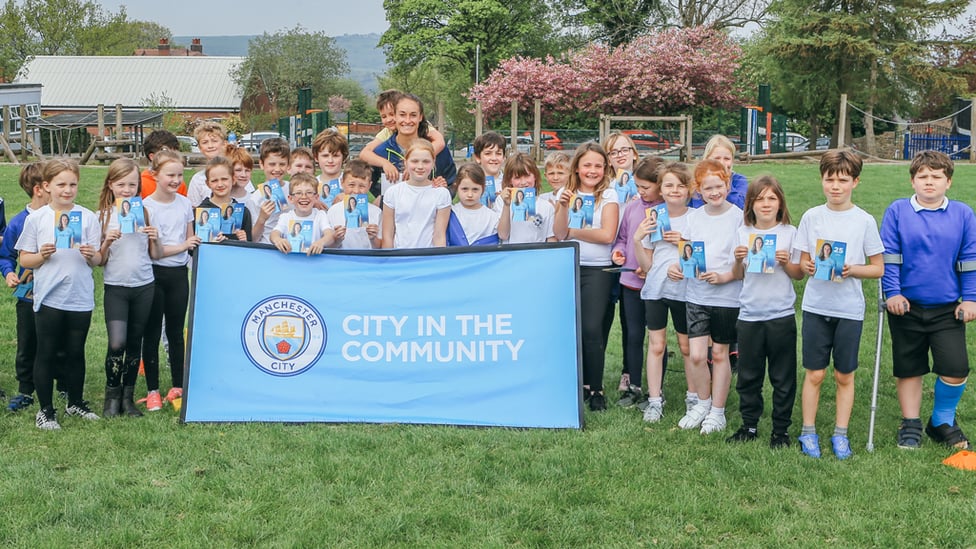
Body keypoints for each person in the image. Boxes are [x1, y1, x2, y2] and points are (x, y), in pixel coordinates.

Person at [881, 150, 976, 450]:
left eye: (936, 176)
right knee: (910, 368)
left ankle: (941, 421)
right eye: (923, 176)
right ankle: (911, 423)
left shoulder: (963, 214)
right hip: (906, 307)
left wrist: (971, 298)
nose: (929, 182)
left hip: (948, 308)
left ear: (948, 181)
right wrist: (892, 293)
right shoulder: (897, 211)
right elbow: (890, 257)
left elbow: (970, 259)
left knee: (956, 367)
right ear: (913, 181)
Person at [795, 150, 884, 459]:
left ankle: (840, 433)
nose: (835, 186)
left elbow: (878, 268)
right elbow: (804, 258)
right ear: (822, 180)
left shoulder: (864, 221)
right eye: (829, 179)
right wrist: (806, 266)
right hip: (817, 307)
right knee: (815, 373)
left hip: (849, 310)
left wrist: (852, 269)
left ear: (855, 182)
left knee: (844, 375)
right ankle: (808, 431)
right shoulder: (811, 217)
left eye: (842, 180)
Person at [15, 159, 103, 429]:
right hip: (50, 296)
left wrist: (92, 255)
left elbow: (98, 259)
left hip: (80, 296)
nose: (67, 190)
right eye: (61, 184)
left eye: (72, 184)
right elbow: (25, 259)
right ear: (46, 187)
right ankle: (45, 410)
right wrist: (41, 255)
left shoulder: (87, 217)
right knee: (47, 351)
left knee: (76, 352)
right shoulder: (37, 219)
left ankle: (74, 402)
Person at [727, 176, 803, 448]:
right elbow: (738, 275)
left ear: (780, 202)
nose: (766, 204)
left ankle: (781, 430)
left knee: (783, 376)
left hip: (780, 315)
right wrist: (737, 259)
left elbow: (798, 275)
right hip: (749, 314)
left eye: (772, 198)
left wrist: (787, 263)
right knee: (748, 375)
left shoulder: (790, 233)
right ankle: (749, 425)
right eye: (760, 199)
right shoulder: (742, 233)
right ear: (751, 204)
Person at [668, 159, 743, 434]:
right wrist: (676, 267)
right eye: (707, 188)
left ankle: (718, 412)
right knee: (697, 355)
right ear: (698, 190)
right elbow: (686, 256)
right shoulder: (693, 218)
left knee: (721, 353)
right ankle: (702, 401)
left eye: (719, 186)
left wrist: (724, 276)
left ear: (727, 184)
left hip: (726, 297)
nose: (714, 192)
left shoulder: (738, 217)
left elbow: (742, 265)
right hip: (697, 295)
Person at [553, 142, 619, 411]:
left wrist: (574, 231)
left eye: (598, 166)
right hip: (569, 266)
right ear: (577, 167)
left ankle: (597, 388)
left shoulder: (610, 196)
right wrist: (563, 209)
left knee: (592, 329)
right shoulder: (564, 192)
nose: (592, 170)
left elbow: (607, 235)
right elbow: (559, 233)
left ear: (605, 169)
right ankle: (577, 384)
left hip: (597, 269)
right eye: (587, 165)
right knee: (571, 329)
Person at [96, 158, 162, 417]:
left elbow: (155, 254)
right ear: (111, 184)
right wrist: (106, 242)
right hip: (116, 286)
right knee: (117, 343)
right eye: (121, 184)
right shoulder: (101, 216)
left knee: (135, 342)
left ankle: (127, 397)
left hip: (144, 284)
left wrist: (154, 238)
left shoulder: (145, 211)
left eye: (132, 185)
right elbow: (99, 261)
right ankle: (111, 395)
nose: (127, 190)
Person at [633, 161, 693, 422]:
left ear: (690, 189)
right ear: (661, 188)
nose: (675, 190)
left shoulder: (696, 218)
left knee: (687, 346)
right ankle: (655, 400)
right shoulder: (654, 215)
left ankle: (695, 397)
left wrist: (682, 243)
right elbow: (647, 265)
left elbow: (700, 259)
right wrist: (637, 239)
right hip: (656, 289)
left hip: (686, 291)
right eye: (669, 185)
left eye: (681, 185)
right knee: (656, 345)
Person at [142, 149, 200, 411]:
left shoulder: (185, 204)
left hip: (178, 274)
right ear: (154, 175)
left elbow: (191, 242)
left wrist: (193, 244)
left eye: (180, 174)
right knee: (152, 332)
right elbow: (155, 250)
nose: (176, 180)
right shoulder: (146, 207)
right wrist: (182, 245)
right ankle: (152, 389)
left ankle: (178, 386)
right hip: (154, 275)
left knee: (176, 333)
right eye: (170, 175)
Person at [611, 156, 664, 407]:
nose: (641, 192)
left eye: (645, 187)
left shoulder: (668, 209)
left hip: (658, 286)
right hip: (630, 281)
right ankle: (633, 386)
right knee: (633, 335)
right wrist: (618, 252)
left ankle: (657, 388)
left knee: (657, 338)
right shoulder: (632, 207)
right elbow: (622, 237)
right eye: (638, 186)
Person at [0, 162, 49, 412]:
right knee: (27, 342)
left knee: (56, 341)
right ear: (40, 189)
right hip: (28, 296)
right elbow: (5, 255)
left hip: (57, 295)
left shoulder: (60, 218)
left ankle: (62, 384)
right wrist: (9, 274)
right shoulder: (19, 222)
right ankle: (25, 390)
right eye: (54, 183)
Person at [361, 93, 457, 196]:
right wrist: (383, 199)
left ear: (420, 117)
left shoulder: (439, 150)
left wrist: (442, 190)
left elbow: (453, 184)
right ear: (395, 116)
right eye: (402, 115)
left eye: (413, 115)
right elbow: (367, 180)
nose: (407, 120)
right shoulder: (380, 152)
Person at [381, 139, 452, 249]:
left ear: (433, 162)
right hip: (399, 258)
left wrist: (439, 261)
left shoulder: (441, 194)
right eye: (414, 161)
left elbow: (439, 236)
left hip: (428, 259)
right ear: (405, 162)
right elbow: (388, 235)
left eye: (426, 161)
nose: (420, 166)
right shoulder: (393, 193)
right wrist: (388, 261)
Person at [495, 153, 556, 244]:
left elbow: (551, 239)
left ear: (535, 176)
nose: (523, 182)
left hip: (536, 255)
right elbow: (503, 235)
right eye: (517, 178)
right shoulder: (502, 201)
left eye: (527, 176)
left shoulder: (546, 206)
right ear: (509, 180)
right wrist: (506, 206)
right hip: (511, 255)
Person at [271, 173, 335, 255]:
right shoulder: (286, 217)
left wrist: (321, 242)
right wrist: (278, 240)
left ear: (316, 197)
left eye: (309, 192)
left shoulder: (320, 215)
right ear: (290, 199)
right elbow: (274, 234)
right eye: (298, 193)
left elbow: (330, 235)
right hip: (290, 260)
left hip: (313, 260)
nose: (304, 197)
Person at [328, 160, 382, 250]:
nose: (356, 191)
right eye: (351, 185)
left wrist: (373, 238)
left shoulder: (376, 212)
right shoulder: (333, 211)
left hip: (367, 259)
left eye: (362, 186)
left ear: (369, 186)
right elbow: (328, 246)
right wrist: (336, 239)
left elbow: (380, 246)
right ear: (342, 183)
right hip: (342, 259)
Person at [246, 137, 292, 244]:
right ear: (262, 164)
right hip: (268, 248)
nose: (277, 169)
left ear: (288, 165)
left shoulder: (293, 189)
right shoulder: (255, 198)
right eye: (272, 164)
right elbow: (252, 238)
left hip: (292, 248)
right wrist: (262, 218)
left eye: (282, 164)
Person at [197, 157, 251, 242]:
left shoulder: (243, 212)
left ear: (233, 180)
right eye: (214, 181)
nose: (220, 184)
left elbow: (249, 246)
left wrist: (244, 239)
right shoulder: (200, 212)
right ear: (207, 184)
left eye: (224, 179)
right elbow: (192, 250)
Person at [690, 134, 748, 209]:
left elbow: (740, 206)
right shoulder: (697, 181)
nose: (722, 163)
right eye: (717, 158)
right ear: (707, 159)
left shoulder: (739, 180)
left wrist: (726, 181)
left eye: (727, 159)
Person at [451, 163, 499, 245]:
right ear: (456, 187)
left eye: (475, 189)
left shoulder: (491, 217)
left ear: (483, 189)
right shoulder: (451, 213)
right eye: (465, 189)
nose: (470, 194)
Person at [187, 121, 229, 207]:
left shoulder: (236, 173)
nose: (210, 146)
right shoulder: (197, 179)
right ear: (199, 147)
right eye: (205, 142)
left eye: (214, 141)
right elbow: (194, 208)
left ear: (224, 144)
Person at [140, 130, 186, 199]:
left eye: (174, 154)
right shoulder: (141, 183)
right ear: (152, 157)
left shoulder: (179, 184)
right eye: (166, 154)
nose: (172, 158)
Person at [313, 129, 349, 208]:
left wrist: (348, 198)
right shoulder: (311, 184)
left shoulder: (352, 183)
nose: (330, 161)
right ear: (316, 157)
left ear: (344, 157)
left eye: (336, 156)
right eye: (325, 156)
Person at [603, 131, 639, 204]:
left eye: (625, 150)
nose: (620, 155)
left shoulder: (647, 183)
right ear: (608, 161)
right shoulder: (605, 187)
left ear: (634, 154)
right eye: (613, 153)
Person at [472, 131, 506, 208]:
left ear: (504, 157)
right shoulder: (471, 182)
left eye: (498, 153)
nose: (494, 158)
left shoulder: (510, 182)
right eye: (488, 153)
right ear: (478, 157)